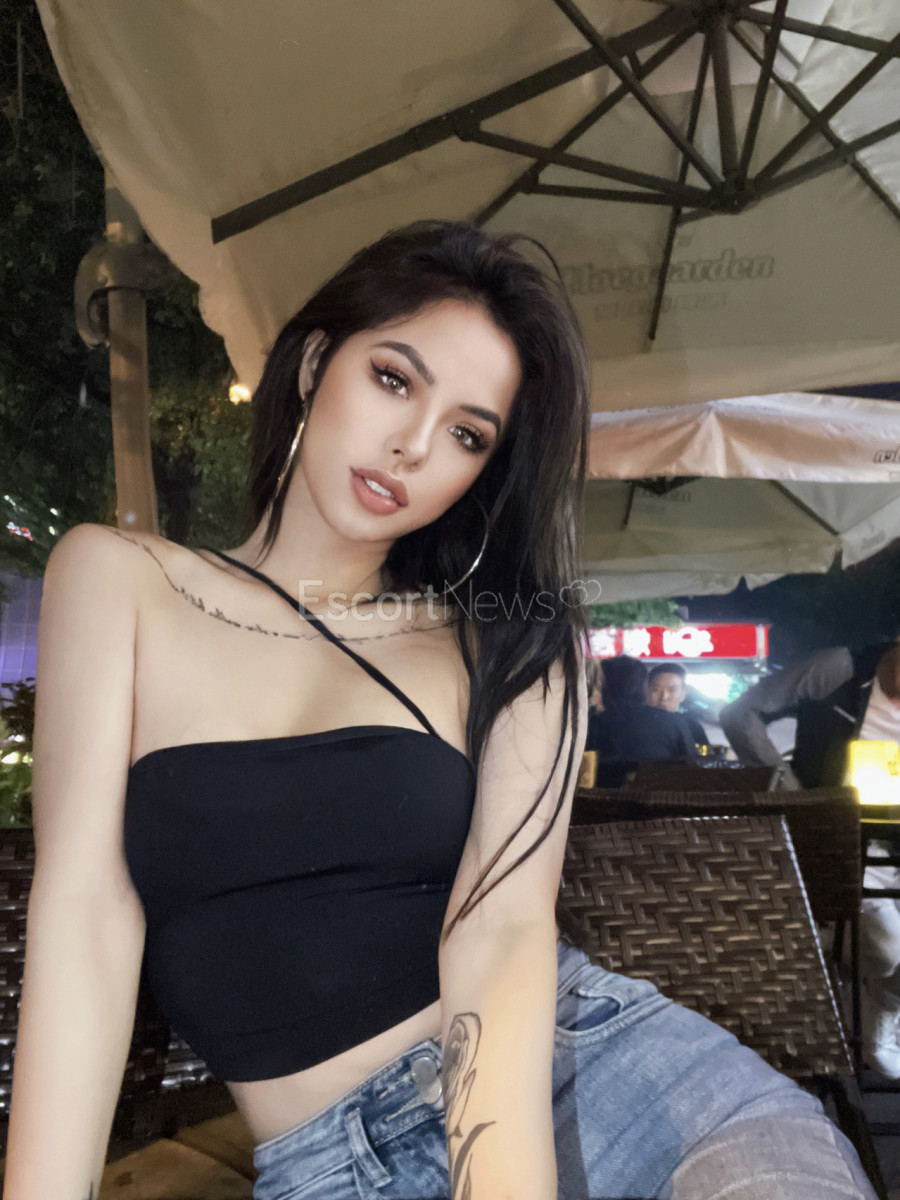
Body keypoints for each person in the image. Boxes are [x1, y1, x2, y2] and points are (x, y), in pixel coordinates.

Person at [4, 221, 876, 1200]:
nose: (413, 446)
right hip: (329, 1163)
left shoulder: (508, 643)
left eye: (468, 434)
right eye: (393, 379)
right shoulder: (120, 581)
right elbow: (84, 912)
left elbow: (499, 933)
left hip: (600, 1076)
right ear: (315, 364)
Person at [720, 639, 900, 1079]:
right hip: (841, 836)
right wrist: (788, 788)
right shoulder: (841, 668)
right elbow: (739, 713)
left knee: (884, 949)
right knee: (886, 947)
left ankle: (876, 1009)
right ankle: (826, 961)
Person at [586, 655, 699, 766]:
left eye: (599, 687)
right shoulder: (675, 722)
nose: (595, 693)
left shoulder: (597, 723)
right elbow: (693, 767)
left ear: (608, 690)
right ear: (645, 686)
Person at [647, 662, 711, 752]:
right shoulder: (634, 724)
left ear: (683, 694)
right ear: (646, 691)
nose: (664, 697)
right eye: (656, 690)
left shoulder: (692, 727)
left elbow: (705, 757)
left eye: (672, 690)